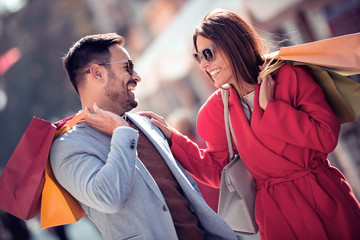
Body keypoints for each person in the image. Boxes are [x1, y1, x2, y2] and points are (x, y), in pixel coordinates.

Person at [140, 9, 360, 240]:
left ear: (233, 45)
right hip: (277, 217)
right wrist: (173, 139)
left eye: (208, 53)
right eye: (198, 57)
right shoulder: (216, 112)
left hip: (327, 199)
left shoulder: (288, 76)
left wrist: (273, 108)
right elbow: (217, 172)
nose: (204, 64)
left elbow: (326, 137)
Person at [50, 32, 237, 240]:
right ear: (98, 73)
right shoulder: (67, 146)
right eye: (127, 67)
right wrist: (122, 134)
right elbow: (108, 197)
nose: (137, 76)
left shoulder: (146, 122)